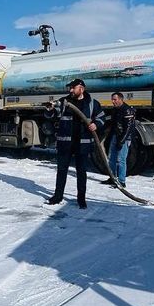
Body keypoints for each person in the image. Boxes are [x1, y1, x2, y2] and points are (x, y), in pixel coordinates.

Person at [45, 78, 105, 209]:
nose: (70, 90)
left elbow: (102, 118)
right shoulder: (64, 101)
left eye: (73, 87)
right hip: (65, 144)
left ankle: (81, 199)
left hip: (82, 144)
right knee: (61, 171)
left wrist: (96, 124)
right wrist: (50, 110)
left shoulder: (92, 103)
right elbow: (53, 116)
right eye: (70, 88)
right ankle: (58, 196)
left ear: (81, 88)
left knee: (81, 172)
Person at [101, 92, 135, 188]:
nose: (113, 101)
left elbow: (129, 128)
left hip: (124, 137)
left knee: (121, 160)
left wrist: (122, 140)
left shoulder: (127, 110)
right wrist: (109, 138)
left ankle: (121, 181)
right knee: (111, 158)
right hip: (116, 136)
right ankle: (112, 178)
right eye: (112, 99)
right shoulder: (115, 110)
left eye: (115, 99)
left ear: (121, 99)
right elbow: (114, 125)